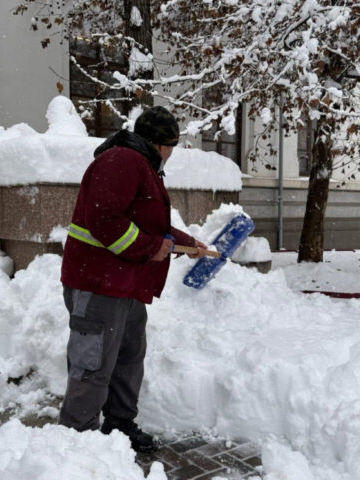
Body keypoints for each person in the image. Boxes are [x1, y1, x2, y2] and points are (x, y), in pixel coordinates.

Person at [59, 106, 207, 452]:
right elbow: (105, 220)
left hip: (121, 285)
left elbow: (146, 224)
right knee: (92, 364)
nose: (172, 154)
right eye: (172, 146)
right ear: (160, 143)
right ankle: (75, 445)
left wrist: (183, 242)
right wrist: (149, 248)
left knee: (127, 357)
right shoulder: (122, 161)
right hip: (98, 285)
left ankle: (119, 425)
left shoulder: (140, 164)